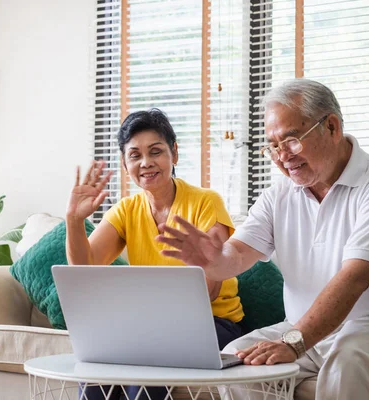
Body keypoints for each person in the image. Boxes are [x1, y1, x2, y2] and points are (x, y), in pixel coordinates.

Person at [156, 79, 369, 400]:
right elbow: (238, 254)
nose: (281, 156)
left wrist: (295, 342)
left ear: (331, 127)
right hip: (308, 330)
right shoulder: (279, 195)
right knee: (236, 358)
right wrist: (213, 259)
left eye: (291, 140)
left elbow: (354, 278)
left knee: (349, 360)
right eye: (272, 146)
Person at [66, 108, 246, 400]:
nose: (146, 163)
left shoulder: (205, 202)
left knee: (146, 372)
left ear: (174, 152)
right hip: (149, 327)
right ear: (125, 165)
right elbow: (84, 268)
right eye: (135, 155)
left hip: (215, 326)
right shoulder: (126, 210)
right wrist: (74, 220)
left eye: (156, 151)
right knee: (97, 368)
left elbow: (209, 290)